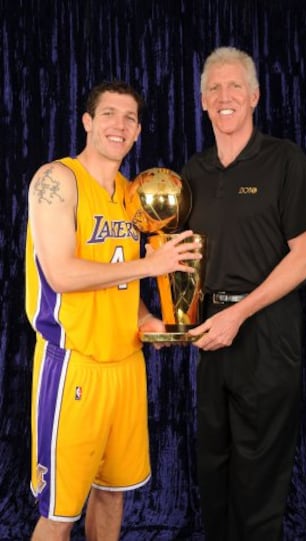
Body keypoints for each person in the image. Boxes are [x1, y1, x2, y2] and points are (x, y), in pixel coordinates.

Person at [25, 80, 201, 541]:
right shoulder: (56, 180)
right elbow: (61, 274)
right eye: (108, 114)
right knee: (61, 514)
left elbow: (121, 278)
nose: (118, 125)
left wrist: (146, 319)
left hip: (126, 367)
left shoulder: (132, 194)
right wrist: (154, 264)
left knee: (113, 493)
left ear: (138, 130)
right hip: (75, 366)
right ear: (87, 122)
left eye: (129, 118)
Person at [183, 47, 306, 541]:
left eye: (235, 86)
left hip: (265, 336)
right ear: (202, 101)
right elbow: (182, 258)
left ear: (254, 96)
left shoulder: (283, 160)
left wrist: (238, 314)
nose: (225, 96)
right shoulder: (193, 173)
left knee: (258, 479)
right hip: (209, 337)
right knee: (214, 469)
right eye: (214, 88)